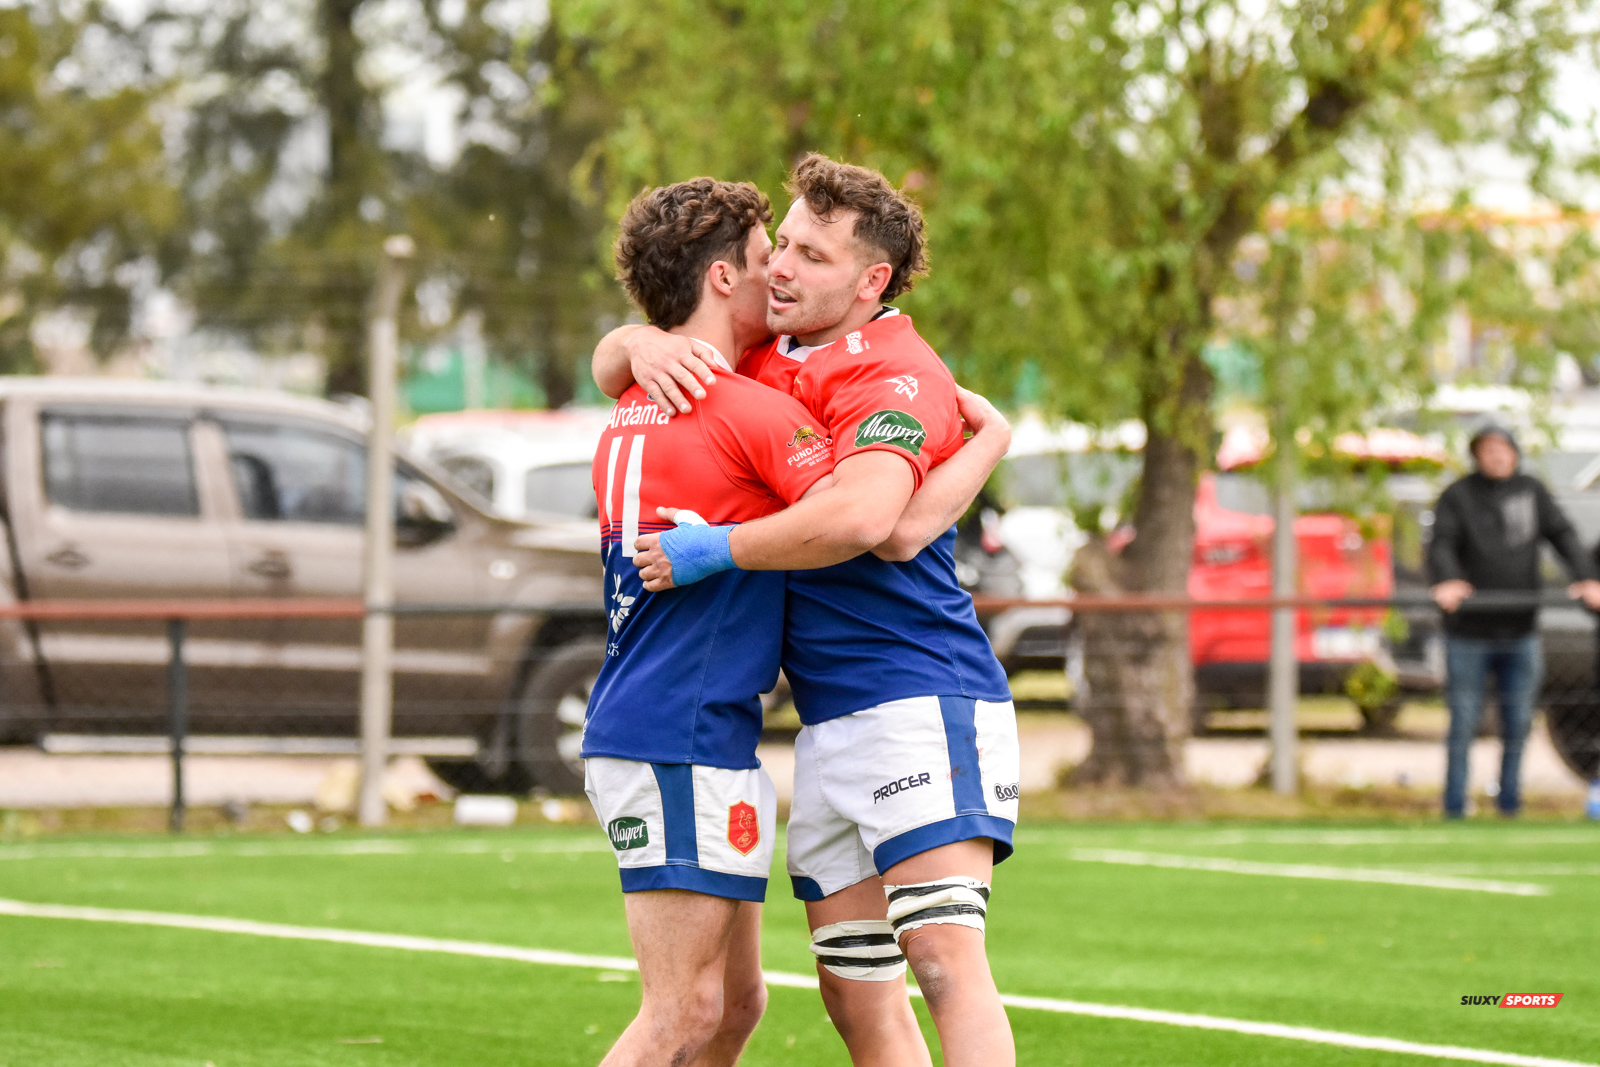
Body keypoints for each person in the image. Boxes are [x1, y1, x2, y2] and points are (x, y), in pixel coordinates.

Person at [595, 155, 1019, 1067]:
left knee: (943, 962)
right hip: (825, 722)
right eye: (779, 244)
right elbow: (625, 361)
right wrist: (637, 342)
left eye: (812, 256)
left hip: (917, 696)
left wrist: (716, 548)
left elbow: (882, 525)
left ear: (871, 282)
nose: (781, 267)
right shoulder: (765, 356)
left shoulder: (896, 371)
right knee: (854, 995)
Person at [1428, 423, 1600, 819]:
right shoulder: (1458, 496)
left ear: (1515, 452)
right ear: (1476, 455)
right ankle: (1454, 806)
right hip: (1468, 633)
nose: (1497, 456)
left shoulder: (1531, 492)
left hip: (1520, 630)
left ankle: (1509, 804)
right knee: (1464, 722)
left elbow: (1564, 535)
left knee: (1519, 723)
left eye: (1502, 449)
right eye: (1488, 450)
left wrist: (1586, 577)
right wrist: (1447, 579)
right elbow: (1441, 544)